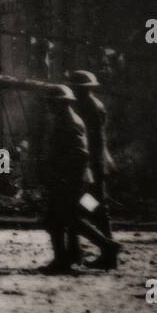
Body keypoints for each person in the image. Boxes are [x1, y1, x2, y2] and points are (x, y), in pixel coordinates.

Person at [39, 84, 119, 273]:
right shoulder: (64, 119)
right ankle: (100, 248)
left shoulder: (69, 122)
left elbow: (80, 155)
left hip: (70, 179)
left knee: (62, 218)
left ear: (64, 103)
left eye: (53, 102)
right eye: (49, 102)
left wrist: (66, 179)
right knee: (64, 218)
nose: (50, 106)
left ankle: (66, 259)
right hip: (69, 178)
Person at [68, 70, 115, 247]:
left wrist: (87, 166)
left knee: (92, 204)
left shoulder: (90, 107)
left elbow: (94, 140)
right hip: (93, 162)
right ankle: (104, 242)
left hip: (91, 164)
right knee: (90, 203)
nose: (76, 91)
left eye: (78, 88)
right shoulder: (90, 105)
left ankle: (107, 245)